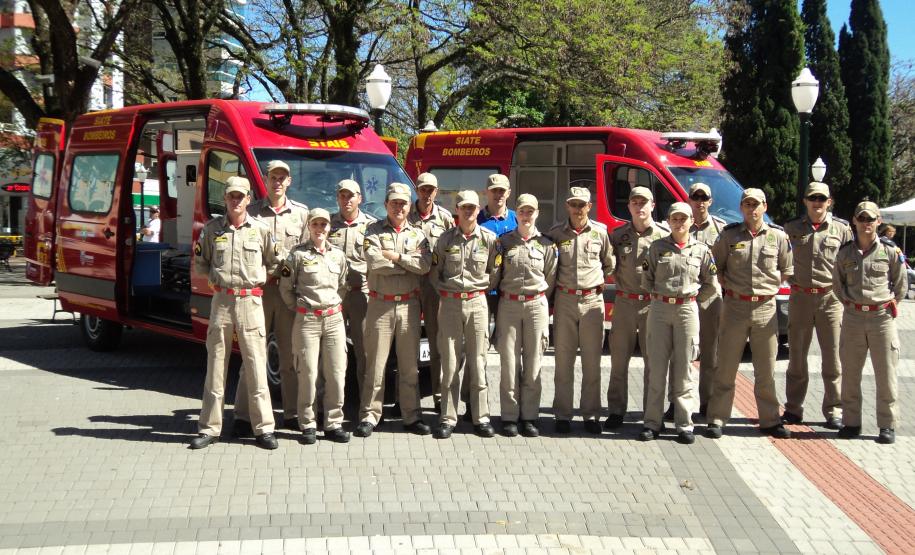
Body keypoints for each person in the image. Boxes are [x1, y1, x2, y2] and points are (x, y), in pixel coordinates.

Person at [190, 176, 280, 450]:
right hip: (223, 303)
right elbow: (200, 261)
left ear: (249, 199)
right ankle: (209, 428)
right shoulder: (212, 230)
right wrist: (213, 280)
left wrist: (261, 278)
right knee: (216, 366)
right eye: (231, 196)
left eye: (241, 196)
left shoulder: (261, 230)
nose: (236, 200)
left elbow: (275, 262)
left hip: (251, 303)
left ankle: (263, 429)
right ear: (225, 198)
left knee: (255, 366)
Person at [705, 188, 793, 440]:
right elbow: (715, 267)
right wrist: (731, 287)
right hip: (734, 307)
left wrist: (770, 285)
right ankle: (717, 418)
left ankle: (769, 420)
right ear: (742, 207)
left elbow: (786, 269)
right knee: (726, 367)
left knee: (765, 369)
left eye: (756, 205)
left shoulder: (777, 237)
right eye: (747, 204)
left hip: (765, 308)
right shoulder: (729, 236)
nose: (752, 209)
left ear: (765, 207)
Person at [234, 160, 308, 435]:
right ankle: (243, 416)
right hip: (258, 293)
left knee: (290, 356)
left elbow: (302, 255)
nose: (277, 181)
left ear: (289, 181)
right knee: (252, 355)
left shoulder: (301, 215)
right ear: (265, 179)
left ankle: (290, 414)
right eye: (273, 177)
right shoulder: (251, 212)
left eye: (282, 177)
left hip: (287, 293)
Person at [354, 183, 432, 438]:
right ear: (386, 205)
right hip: (380, 304)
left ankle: (411, 416)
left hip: (409, 305)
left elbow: (424, 266)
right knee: (376, 364)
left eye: (403, 203)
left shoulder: (418, 235)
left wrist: (396, 258)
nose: (399, 207)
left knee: (410, 366)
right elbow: (374, 262)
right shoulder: (372, 230)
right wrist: (406, 263)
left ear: (410, 206)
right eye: (394, 203)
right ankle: (370, 415)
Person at [639, 202, 718, 444]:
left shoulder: (701, 250)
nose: (679, 223)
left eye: (683, 218)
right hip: (661, 309)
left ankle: (684, 424)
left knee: (684, 369)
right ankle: (652, 423)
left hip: (686, 310)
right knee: (656, 368)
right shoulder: (656, 248)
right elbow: (646, 278)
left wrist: (691, 301)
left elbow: (711, 283)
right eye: (675, 218)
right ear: (669, 220)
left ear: (690, 221)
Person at [833, 201, 906, 444]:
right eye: (861, 218)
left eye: (870, 219)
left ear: (878, 222)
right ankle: (852, 422)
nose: (866, 223)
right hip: (853, 317)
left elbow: (900, 285)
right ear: (854, 221)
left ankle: (887, 425)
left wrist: (886, 304)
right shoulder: (845, 252)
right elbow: (837, 284)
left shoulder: (890, 251)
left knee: (886, 374)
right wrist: (851, 305)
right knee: (851, 373)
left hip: (881, 319)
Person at [431, 190, 501, 439]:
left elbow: (495, 271)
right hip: (450, 304)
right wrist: (448, 293)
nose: (469, 211)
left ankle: (480, 417)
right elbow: (435, 272)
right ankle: (448, 418)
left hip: (477, 303)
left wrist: (478, 290)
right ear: (456, 209)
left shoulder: (489, 240)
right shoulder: (445, 240)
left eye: (472, 207)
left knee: (478, 362)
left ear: (479, 208)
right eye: (464, 207)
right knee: (449, 364)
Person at [782, 182, 852, 429]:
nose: (817, 203)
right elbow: (782, 260)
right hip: (800, 297)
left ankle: (834, 410)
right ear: (805, 201)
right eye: (813, 198)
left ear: (829, 201)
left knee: (832, 358)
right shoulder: (790, 228)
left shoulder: (842, 230)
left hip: (829, 299)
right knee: (797, 357)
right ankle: (793, 409)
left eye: (822, 199)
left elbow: (850, 264)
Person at [545, 187, 614, 434]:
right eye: (573, 204)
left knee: (592, 362)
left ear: (589, 206)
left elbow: (608, 263)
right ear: (567, 206)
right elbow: (549, 268)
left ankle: (591, 415)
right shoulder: (555, 234)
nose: (577, 209)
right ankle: (563, 414)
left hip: (592, 303)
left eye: (582, 204)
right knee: (564, 361)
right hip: (565, 301)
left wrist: (595, 282)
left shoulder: (600, 233)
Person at [280, 208, 351, 444]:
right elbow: (285, 287)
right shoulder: (297, 255)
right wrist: (300, 308)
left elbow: (342, 286)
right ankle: (308, 423)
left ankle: (333, 423)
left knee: (336, 373)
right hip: (307, 320)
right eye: (315, 225)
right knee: (308, 373)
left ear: (330, 227)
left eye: (324, 225)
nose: (320, 229)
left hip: (333, 320)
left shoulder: (338, 256)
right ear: (309, 227)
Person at [605, 186, 669, 430]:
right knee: (618, 361)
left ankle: (651, 414)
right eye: (635, 202)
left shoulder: (663, 237)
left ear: (653, 205)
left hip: (652, 304)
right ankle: (616, 411)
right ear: (629, 206)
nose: (639, 207)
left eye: (644, 202)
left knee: (654, 363)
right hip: (624, 303)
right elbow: (607, 265)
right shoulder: (618, 236)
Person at [495, 193, 557, 438]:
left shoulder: (546, 244)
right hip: (509, 305)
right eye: (522, 211)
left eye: (530, 211)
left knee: (533, 363)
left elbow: (550, 277)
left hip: (535, 306)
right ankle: (509, 416)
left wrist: (538, 298)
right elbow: (495, 275)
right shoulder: (504, 242)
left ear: (537, 213)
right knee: (509, 363)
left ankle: (530, 416)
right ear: (516, 212)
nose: (526, 215)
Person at [407, 172, 454, 412]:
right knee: (407, 345)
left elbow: (451, 252)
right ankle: (407, 398)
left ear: (436, 192)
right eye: (423, 189)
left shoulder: (445, 218)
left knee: (436, 343)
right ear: (417, 190)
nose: (426, 194)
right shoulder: (406, 214)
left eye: (431, 190)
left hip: (435, 287)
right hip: (410, 285)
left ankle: (437, 395)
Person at [328, 179, 376, 394]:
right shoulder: (326, 225)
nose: (347, 200)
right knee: (332, 352)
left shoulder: (372, 227)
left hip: (360, 296)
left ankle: (366, 406)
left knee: (365, 352)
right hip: (334, 297)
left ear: (360, 199)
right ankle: (330, 404)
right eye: (343, 195)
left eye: (351, 196)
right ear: (337, 198)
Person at [687, 183, 726, 416]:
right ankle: (677, 401)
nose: (700, 201)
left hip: (710, 300)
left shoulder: (721, 231)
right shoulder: (679, 224)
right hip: (684, 299)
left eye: (704, 197)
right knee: (682, 353)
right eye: (696, 197)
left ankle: (707, 402)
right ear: (689, 199)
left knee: (710, 353)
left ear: (710, 201)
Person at [478, 174, 518, 345]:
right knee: (480, 342)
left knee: (509, 344)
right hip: (483, 289)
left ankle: (513, 373)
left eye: (502, 191)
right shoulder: (476, 219)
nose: (498, 194)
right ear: (486, 192)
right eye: (494, 191)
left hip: (509, 291)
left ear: (508, 193)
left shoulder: (517, 219)